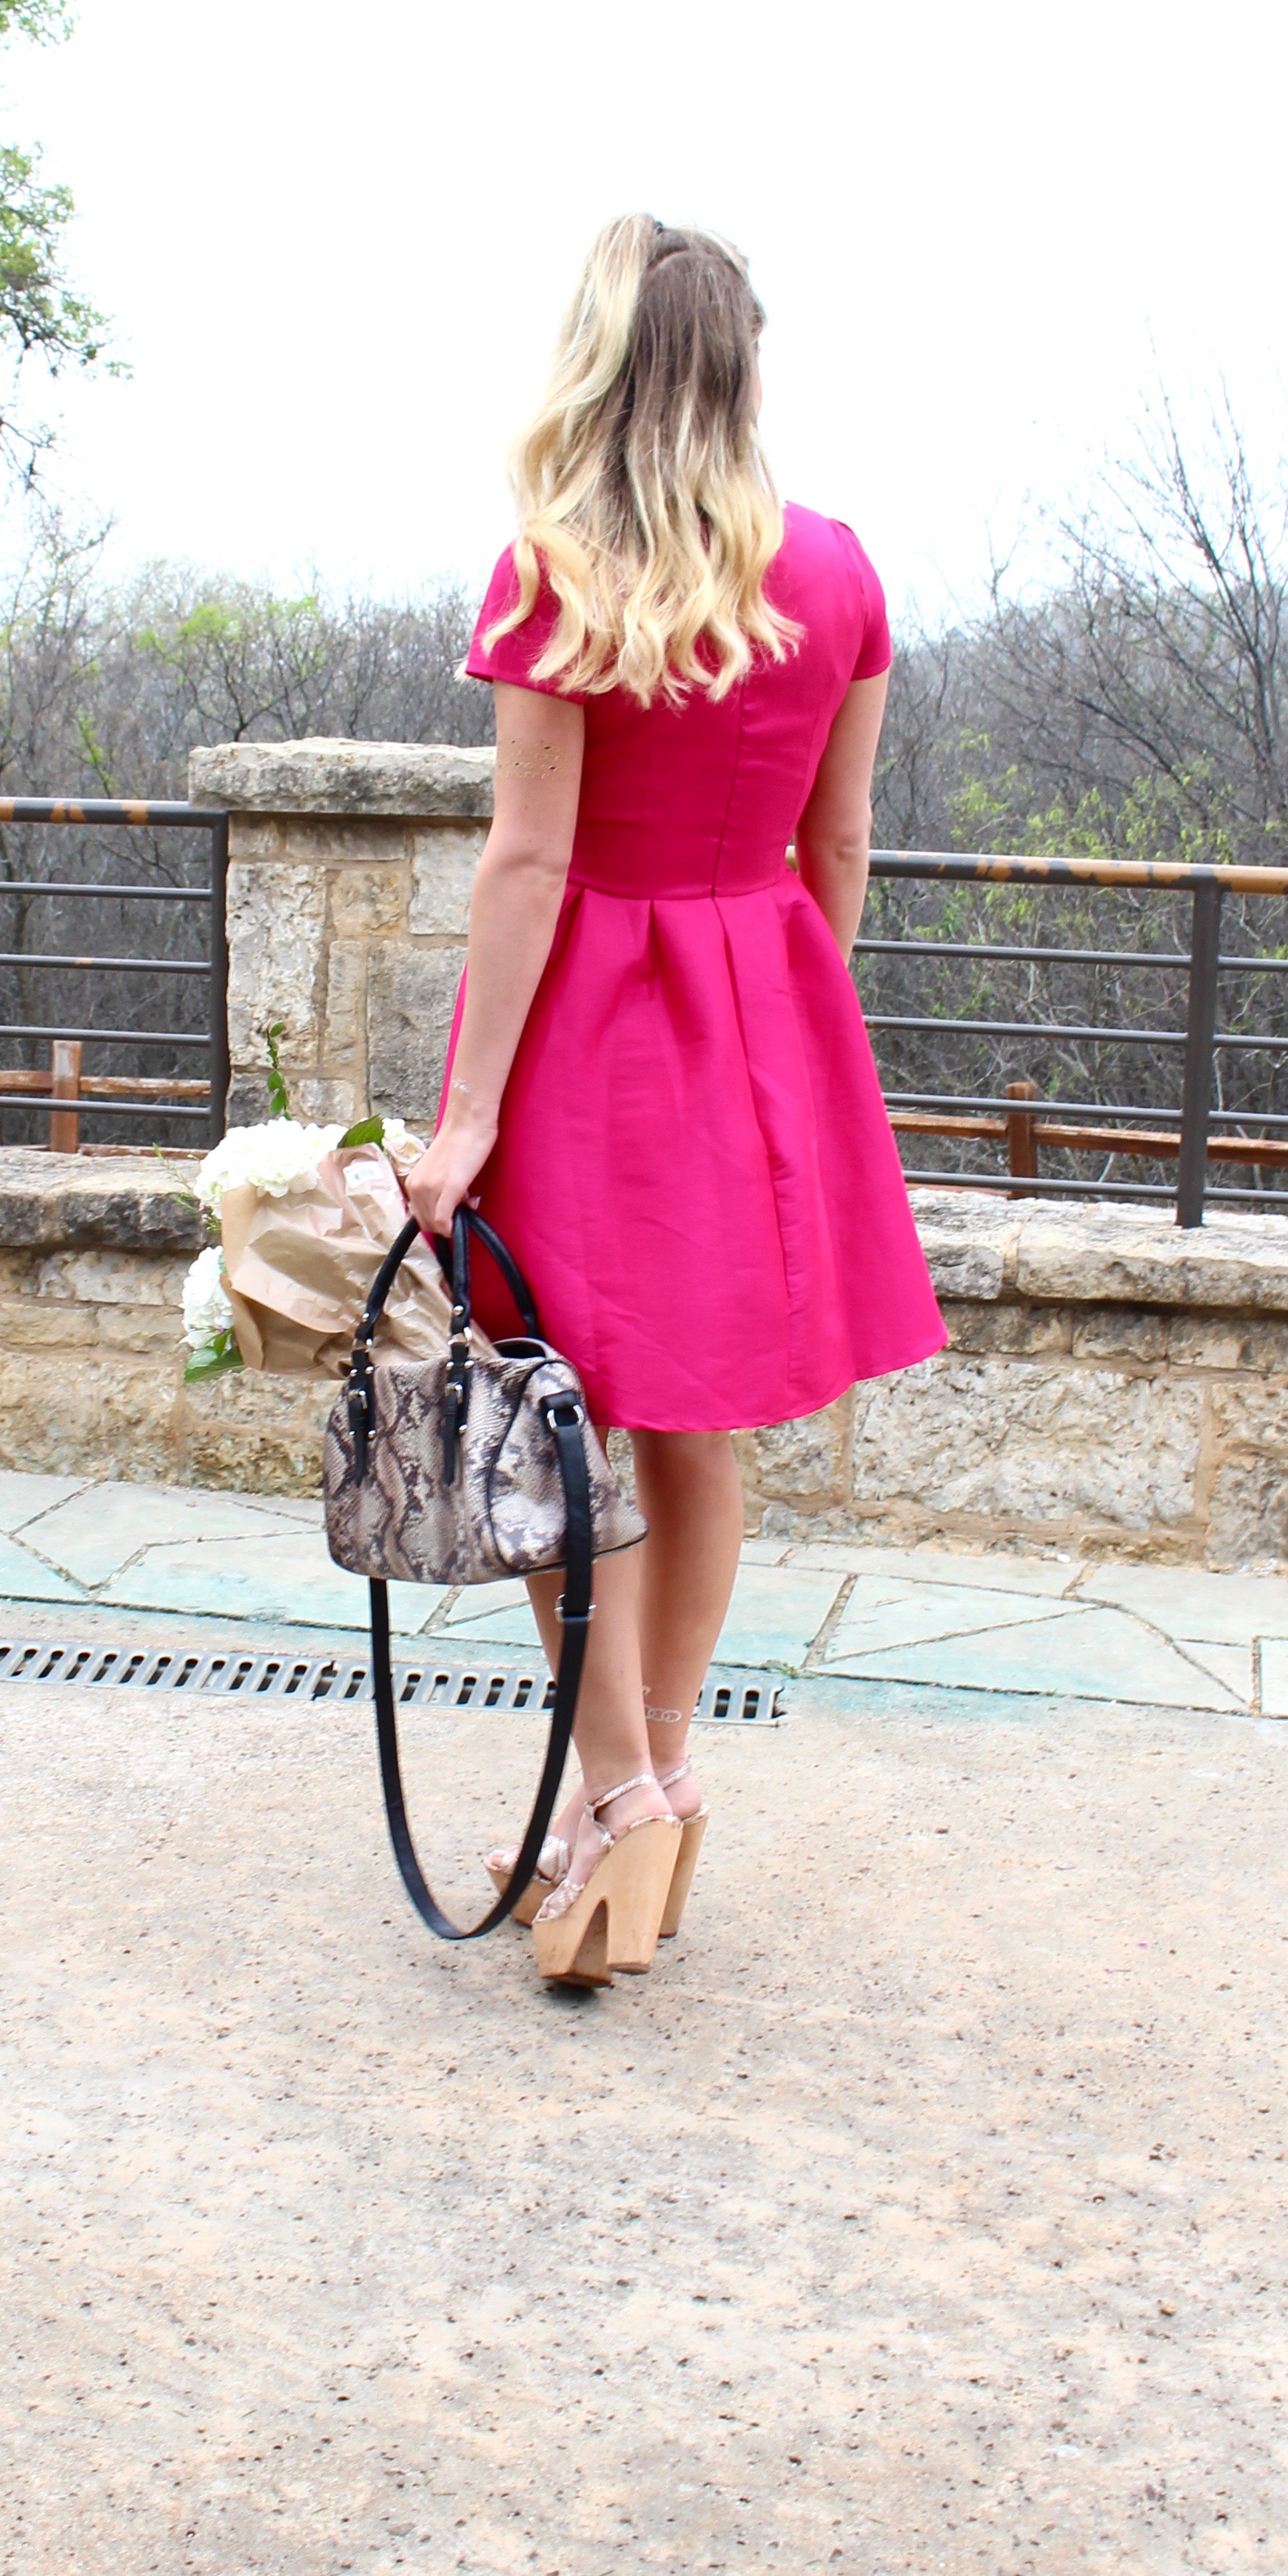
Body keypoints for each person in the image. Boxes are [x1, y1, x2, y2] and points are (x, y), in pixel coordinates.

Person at [400, 215, 945, 1988]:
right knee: (692, 1425)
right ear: (740, 366)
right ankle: (639, 1792)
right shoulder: (847, 573)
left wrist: (466, 1119)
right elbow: (839, 843)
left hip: (583, 1045)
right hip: (755, 1009)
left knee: (566, 1432)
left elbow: (530, 859)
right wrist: (796, 1022)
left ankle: (621, 1801)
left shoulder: (557, 570)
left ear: (603, 359)